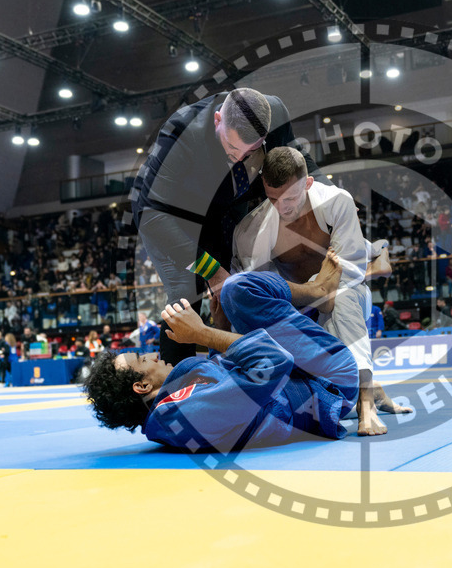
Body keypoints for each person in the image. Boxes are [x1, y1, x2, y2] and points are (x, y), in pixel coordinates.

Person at [83, 258, 360, 452]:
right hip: (331, 384)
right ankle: (319, 290)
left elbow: (224, 384)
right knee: (238, 289)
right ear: (142, 386)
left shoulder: (172, 411)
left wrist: (220, 327)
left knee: (233, 299)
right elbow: (274, 362)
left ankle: (333, 285)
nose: (154, 355)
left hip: (306, 382)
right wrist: (203, 334)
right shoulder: (181, 414)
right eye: (143, 360)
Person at [131, 87, 320, 366]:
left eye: (252, 150)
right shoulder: (182, 131)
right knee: (187, 292)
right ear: (218, 119)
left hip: (228, 203)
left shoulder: (274, 112)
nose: (240, 158)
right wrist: (212, 271)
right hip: (172, 215)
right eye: (233, 149)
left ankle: (245, 370)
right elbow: (154, 217)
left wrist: (331, 201)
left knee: (240, 285)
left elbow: (299, 164)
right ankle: (173, 387)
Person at [232, 146, 405, 436]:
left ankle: (366, 403)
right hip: (300, 304)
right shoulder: (252, 231)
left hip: (344, 293)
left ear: (308, 183)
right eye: (273, 198)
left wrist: (320, 289)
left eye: (290, 197)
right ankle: (376, 252)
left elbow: (348, 274)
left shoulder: (336, 201)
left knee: (343, 298)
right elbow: (262, 297)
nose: (282, 207)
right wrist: (312, 290)